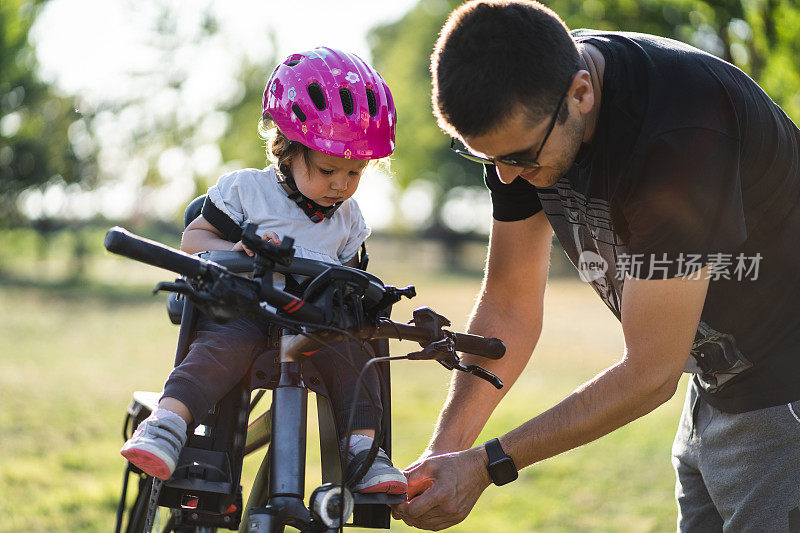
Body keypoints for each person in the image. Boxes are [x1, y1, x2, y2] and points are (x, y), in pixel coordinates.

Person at [392, 1, 800, 530]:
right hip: (717, 380)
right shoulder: (529, 103)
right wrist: (443, 456)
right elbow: (510, 303)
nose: (507, 178)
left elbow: (651, 372)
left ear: (581, 94)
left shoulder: (677, 133)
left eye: (519, 158)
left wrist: (488, 464)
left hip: (784, 393)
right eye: (486, 158)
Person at [121, 47, 407, 495]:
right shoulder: (246, 192)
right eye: (329, 169)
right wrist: (234, 250)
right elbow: (194, 242)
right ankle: (168, 425)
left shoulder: (350, 219)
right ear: (287, 150)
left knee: (355, 357)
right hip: (246, 310)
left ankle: (364, 452)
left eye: (355, 173)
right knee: (222, 346)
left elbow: (347, 285)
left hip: (310, 326)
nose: (341, 185)